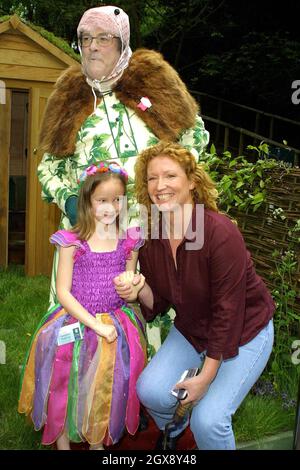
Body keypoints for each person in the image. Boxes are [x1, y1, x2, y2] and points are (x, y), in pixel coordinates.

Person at [37, 4, 209, 353]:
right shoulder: (69, 97)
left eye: (103, 38)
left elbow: (195, 137)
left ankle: (148, 396)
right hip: (87, 237)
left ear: (122, 43)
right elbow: (46, 167)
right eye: (85, 39)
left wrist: (169, 192)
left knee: (148, 313)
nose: (93, 47)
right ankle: (73, 397)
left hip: (147, 230)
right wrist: (71, 202)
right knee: (78, 320)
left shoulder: (153, 84)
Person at [114, 141, 275, 450]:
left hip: (245, 331)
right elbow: (157, 301)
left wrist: (205, 378)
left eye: (170, 176)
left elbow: (228, 312)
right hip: (193, 329)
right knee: (151, 391)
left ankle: (200, 427)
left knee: (210, 420)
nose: (160, 186)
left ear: (191, 182)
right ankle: (177, 433)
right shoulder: (154, 234)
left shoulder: (219, 232)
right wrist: (138, 290)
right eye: (151, 178)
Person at [18, 162, 146, 450]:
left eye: (117, 200)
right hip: (75, 322)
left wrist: (133, 283)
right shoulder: (72, 242)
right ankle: (62, 442)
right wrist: (95, 325)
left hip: (114, 324)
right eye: (102, 200)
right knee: (64, 383)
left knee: (103, 386)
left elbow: (129, 293)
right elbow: (63, 292)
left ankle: (97, 441)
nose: (110, 208)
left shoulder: (129, 242)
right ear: (87, 200)